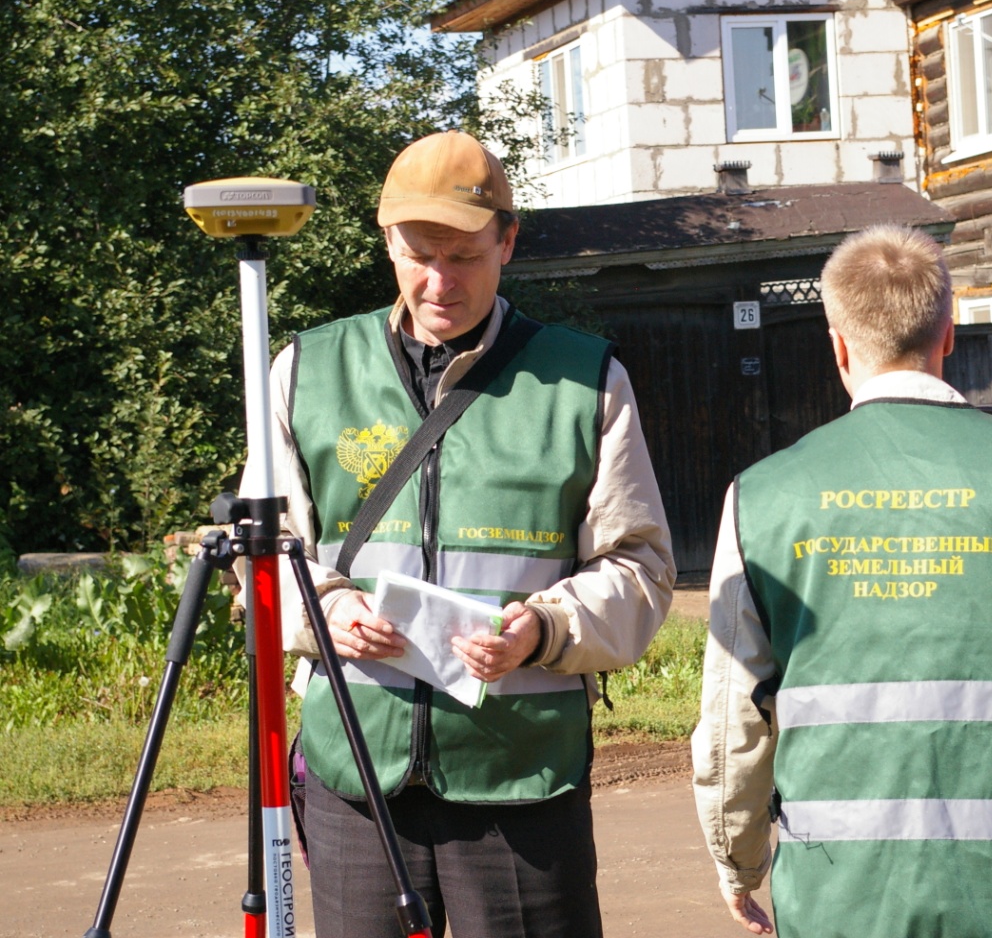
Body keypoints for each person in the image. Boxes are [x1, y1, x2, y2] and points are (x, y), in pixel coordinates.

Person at [243, 130, 675, 938]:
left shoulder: (585, 381)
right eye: (419, 254)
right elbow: (265, 562)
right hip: (357, 775)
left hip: (520, 776)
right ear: (386, 241)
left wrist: (543, 628)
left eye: (466, 256)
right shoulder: (305, 370)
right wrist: (327, 612)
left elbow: (641, 568)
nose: (440, 282)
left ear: (508, 241)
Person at [691, 225, 992, 938]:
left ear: (839, 344)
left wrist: (740, 862)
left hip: (840, 903)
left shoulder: (760, 497)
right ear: (947, 334)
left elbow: (734, 726)